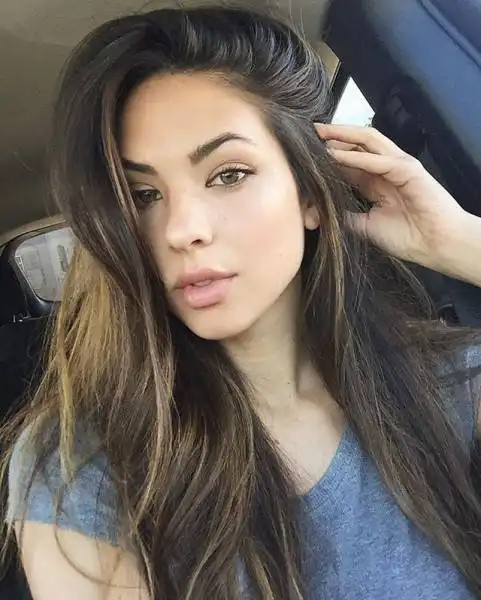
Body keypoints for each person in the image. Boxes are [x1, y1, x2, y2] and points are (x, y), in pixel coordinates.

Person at [1, 6, 481, 600]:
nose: (183, 230)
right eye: (142, 195)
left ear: (309, 194)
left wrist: (459, 243)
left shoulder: (445, 385)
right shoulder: (83, 467)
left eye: (228, 175)